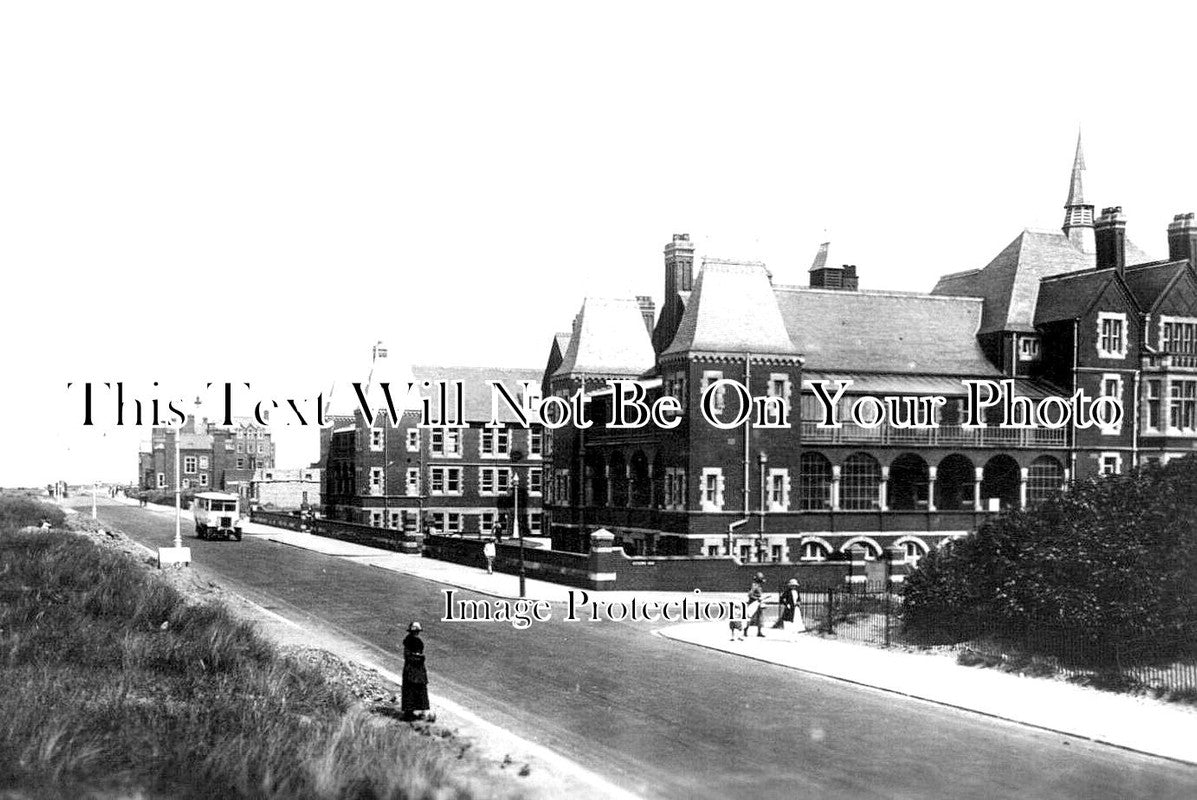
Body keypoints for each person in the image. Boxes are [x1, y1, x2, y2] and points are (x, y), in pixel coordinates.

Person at [402, 622, 431, 719]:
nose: (416, 633)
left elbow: (407, 655)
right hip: (416, 668)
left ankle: (409, 711)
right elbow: (414, 655)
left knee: (410, 689)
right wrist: (420, 657)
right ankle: (420, 712)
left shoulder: (407, 640)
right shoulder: (416, 641)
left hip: (410, 668)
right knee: (420, 689)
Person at [745, 571, 767, 638]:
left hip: (759, 603)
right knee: (750, 617)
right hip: (753, 603)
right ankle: (745, 631)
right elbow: (750, 595)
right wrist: (757, 598)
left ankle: (759, 632)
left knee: (760, 617)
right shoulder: (754, 586)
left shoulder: (758, 586)